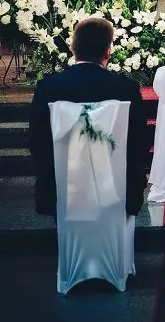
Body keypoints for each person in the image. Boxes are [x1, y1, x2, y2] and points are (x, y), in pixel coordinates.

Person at [28, 17, 150, 219]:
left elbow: (37, 142)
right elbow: (140, 143)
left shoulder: (48, 88)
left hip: (60, 192)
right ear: (107, 51)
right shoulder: (126, 89)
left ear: (73, 47)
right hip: (119, 191)